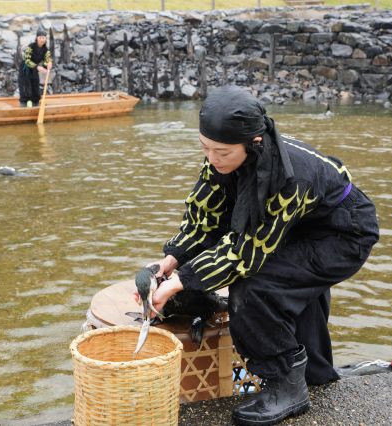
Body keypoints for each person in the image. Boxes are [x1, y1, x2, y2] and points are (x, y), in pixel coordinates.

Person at [143, 86, 379, 425]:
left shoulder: (289, 177)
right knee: (294, 295)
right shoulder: (222, 156)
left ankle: (287, 386)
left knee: (255, 288)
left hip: (343, 232)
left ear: (254, 142)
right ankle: (317, 374)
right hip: (299, 224)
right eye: (204, 147)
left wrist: (177, 285)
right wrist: (170, 262)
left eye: (221, 152)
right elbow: (206, 218)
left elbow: (245, 253)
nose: (212, 158)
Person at [18, 28, 52, 108]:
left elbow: (47, 59)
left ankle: (35, 102)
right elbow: (27, 60)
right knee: (25, 85)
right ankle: (24, 103)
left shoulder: (46, 50)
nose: (42, 40)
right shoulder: (31, 47)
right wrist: (37, 67)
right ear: (36, 38)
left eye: (43, 38)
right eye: (40, 38)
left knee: (35, 84)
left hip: (34, 69)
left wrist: (49, 63)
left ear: (45, 39)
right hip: (25, 69)